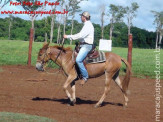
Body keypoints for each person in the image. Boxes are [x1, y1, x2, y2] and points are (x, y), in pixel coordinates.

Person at [64, 11, 94, 85]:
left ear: (84, 17)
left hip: (86, 46)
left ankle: (85, 76)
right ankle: (76, 74)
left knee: (78, 60)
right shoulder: (86, 25)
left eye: (81, 16)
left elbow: (81, 35)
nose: (80, 17)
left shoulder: (88, 25)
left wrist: (68, 36)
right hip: (83, 45)